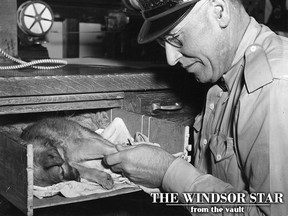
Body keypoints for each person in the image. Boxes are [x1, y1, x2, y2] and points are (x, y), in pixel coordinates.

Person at [104, 0, 288, 215]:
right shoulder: (228, 71)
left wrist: (168, 172)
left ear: (219, 12)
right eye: (165, 42)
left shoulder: (273, 87)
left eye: (176, 39)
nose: (171, 59)